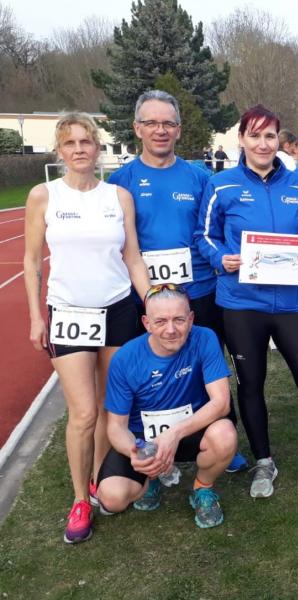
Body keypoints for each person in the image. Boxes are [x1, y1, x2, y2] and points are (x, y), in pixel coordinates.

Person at [195, 104, 298, 504]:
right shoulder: (221, 185)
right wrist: (220, 258)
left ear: (279, 140)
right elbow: (203, 235)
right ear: (242, 139)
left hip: (294, 304)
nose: (263, 143)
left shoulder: (297, 185)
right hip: (242, 303)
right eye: (255, 135)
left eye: (270, 136)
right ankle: (264, 461)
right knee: (251, 384)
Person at [23, 112, 150, 543]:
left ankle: (99, 478)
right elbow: (31, 260)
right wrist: (36, 316)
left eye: (86, 141)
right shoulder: (44, 196)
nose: (79, 149)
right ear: (59, 150)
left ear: (98, 148)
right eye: (70, 142)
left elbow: (133, 257)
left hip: (117, 310)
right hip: (69, 313)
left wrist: (152, 302)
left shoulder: (118, 196)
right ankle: (79, 499)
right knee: (83, 412)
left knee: (110, 406)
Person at [108, 89, 248, 475]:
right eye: (152, 123)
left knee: (210, 364)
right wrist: (148, 295)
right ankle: (146, 442)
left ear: (179, 130)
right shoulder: (121, 181)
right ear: (137, 128)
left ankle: (224, 438)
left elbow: (216, 230)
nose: (160, 130)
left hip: (199, 292)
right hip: (145, 297)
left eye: (168, 123)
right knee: (151, 368)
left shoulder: (200, 177)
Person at [96, 284, 238, 528]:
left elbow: (221, 403)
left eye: (179, 320)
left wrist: (173, 434)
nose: (171, 330)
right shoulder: (125, 358)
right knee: (112, 498)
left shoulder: (205, 338)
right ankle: (150, 478)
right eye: (160, 321)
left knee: (225, 435)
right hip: (144, 441)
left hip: (192, 431)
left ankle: (202, 487)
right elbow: (116, 427)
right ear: (146, 323)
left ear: (191, 319)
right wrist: (137, 454)